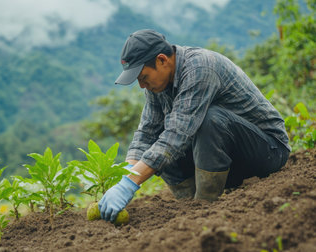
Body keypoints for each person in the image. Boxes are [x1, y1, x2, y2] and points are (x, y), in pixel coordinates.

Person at [98, 29, 291, 223]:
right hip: (229, 162)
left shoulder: (200, 68)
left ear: (162, 60)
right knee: (159, 143)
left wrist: (131, 184)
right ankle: (189, 203)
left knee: (208, 120)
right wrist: (124, 176)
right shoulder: (157, 85)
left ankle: (204, 206)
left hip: (268, 151)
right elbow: (147, 133)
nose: (142, 86)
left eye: (143, 78)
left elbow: (177, 134)